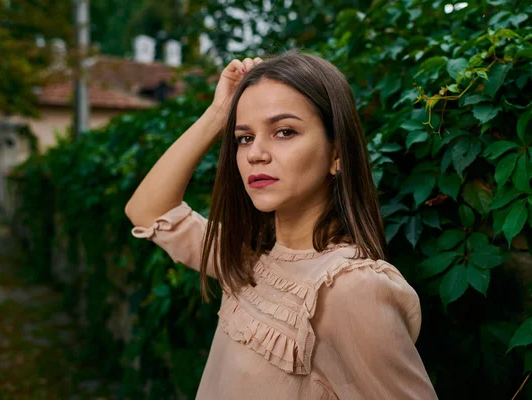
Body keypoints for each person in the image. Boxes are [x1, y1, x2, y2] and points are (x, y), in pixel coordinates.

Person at [126, 50, 437, 399]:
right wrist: (217, 115)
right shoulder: (245, 262)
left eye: (284, 132)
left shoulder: (348, 290)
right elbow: (148, 211)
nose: (256, 153)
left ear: (337, 154)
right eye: (244, 137)